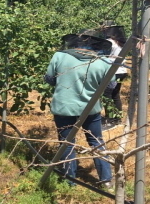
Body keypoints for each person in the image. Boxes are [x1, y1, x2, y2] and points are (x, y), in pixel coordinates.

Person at [44, 29, 115, 189]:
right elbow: (110, 87)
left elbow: (49, 79)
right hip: (90, 108)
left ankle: (70, 182)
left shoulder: (59, 56)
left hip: (64, 107)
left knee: (67, 143)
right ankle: (106, 180)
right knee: (96, 142)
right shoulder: (104, 62)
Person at [100, 22, 128, 131]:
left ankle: (110, 119)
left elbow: (102, 55)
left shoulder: (109, 42)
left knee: (107, 95)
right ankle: (117, 118)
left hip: (113, 71)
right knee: (115, 94)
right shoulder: (120, 42)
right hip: (122, 70)